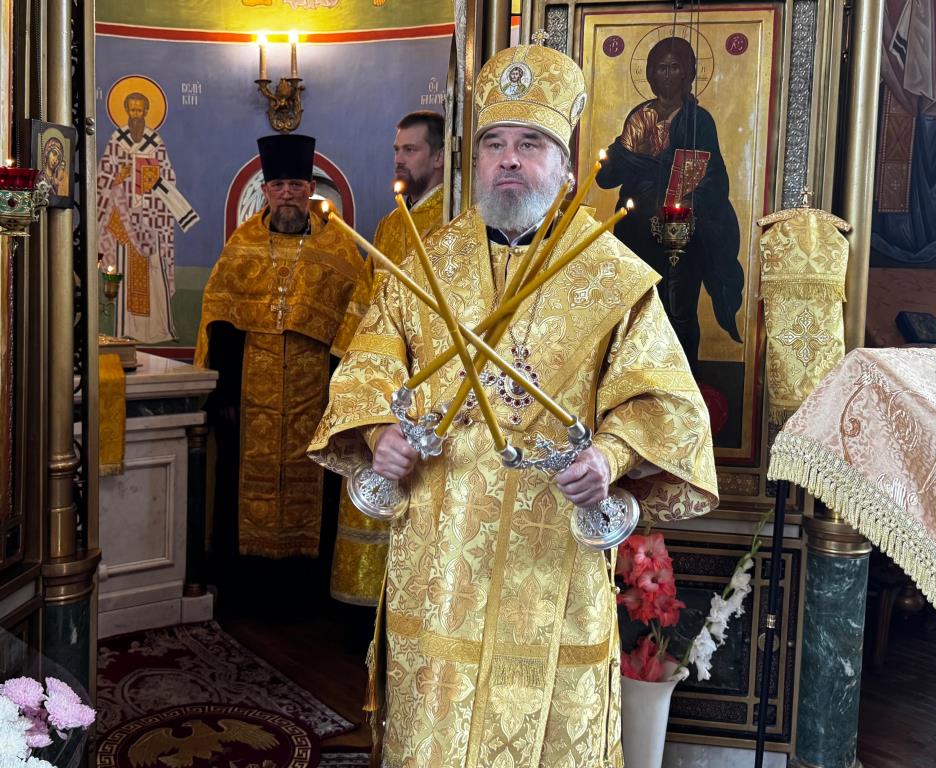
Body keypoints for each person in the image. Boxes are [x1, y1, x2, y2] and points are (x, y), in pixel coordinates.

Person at [308, 42, 717, 768]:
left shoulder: (611, 276)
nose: (508, 160)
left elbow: (664, 403)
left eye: (531, 144)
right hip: (440, 553)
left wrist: (608, 457)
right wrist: (379, 433)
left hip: (552, 550)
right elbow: (368, 367)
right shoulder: (423, 262)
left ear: (565, 165)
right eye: (494, 143)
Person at [194, 133, 372, 612]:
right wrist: (225, 395)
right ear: (266, 191)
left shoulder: (338, 247)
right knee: (242, 491)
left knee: (312, 485)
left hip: (315, 395)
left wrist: (340, 397)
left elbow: (355, 323)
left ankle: (303, 595)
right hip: (250, 397)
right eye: (279, 186)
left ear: (310, 190)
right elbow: (221, 321)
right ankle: (246, 590)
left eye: (296, 185)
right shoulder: (243, 244)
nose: (288, 194)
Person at [331, 110, 445, 612]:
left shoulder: (452, 221)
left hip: (427, 383)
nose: (399, 159)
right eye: (397, 150)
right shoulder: (391, 223)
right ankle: (365, 617)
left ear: (439, 158)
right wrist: (348, 369)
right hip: (379, 381)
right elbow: (366, 302)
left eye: (410, 150)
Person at [596, 36, 743, 374]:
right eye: (660, 67)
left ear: (688, 73)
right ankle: (632, 382)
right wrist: (625, 152)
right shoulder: (640, 116)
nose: (667, 74)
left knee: (678, 309)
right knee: (636, 307)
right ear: (650, 73)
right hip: (635, 231)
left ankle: (683, 382)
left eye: (675, 67)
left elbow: (714, 177)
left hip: (681, 232)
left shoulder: (698, 120)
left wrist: (687, 197)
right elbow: (607, 177)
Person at [97, 91, 199, 344]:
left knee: (153, 270)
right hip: (123, 217)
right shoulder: (117, 140)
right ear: (126, 111)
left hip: (152, 218)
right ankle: (126, 330)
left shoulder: (156, 142)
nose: (135, 115)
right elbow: (102, 178)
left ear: (145, 112)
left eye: (139, 110)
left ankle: (156, 329)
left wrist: (153, 181)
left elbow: (169, 176)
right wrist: (119, 177)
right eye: (131, 110)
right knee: (124, 270)